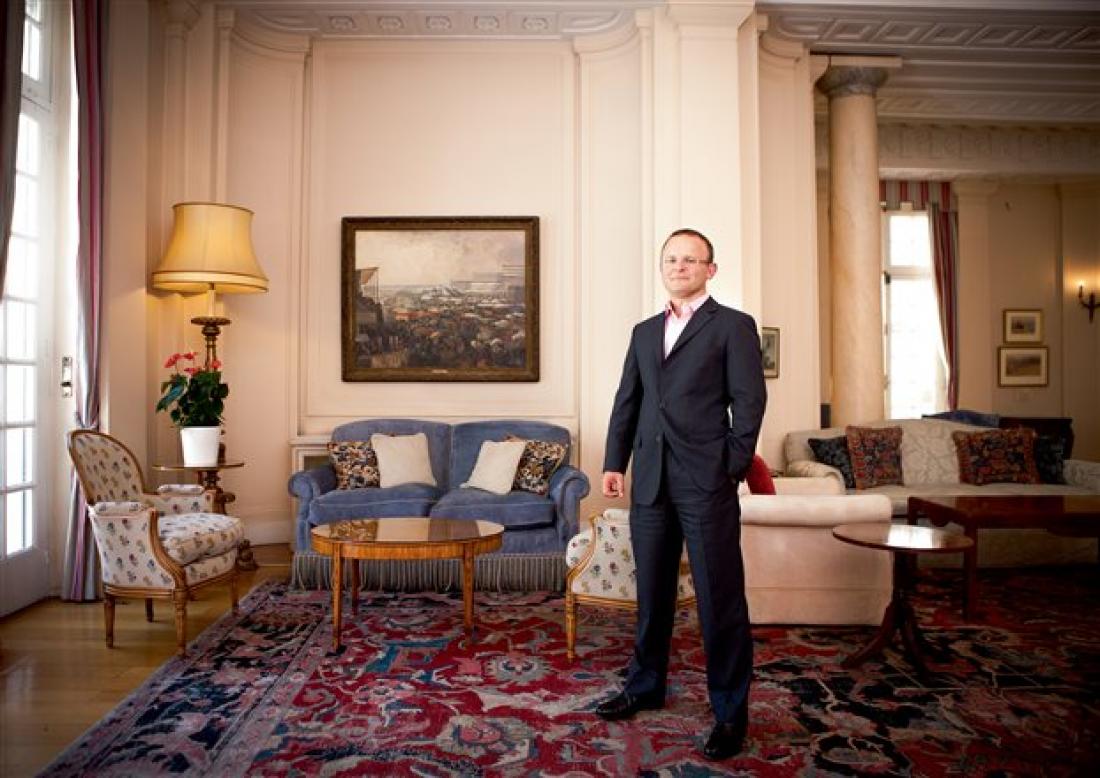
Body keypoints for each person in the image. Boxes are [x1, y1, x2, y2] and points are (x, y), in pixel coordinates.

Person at [597, 228, 766, 761]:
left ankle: (730, 713)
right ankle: (645, 685)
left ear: (710, 270)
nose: (679, 266)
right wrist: (613, 462)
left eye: (690, 260)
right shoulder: (644, 331)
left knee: (719, 597)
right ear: (662, 267)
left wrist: (729, 465)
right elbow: (628, 401)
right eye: (671, 259)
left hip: (705, 481)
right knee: (651, 592)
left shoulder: (733, 326)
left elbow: (750, 403)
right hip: (650, 479)